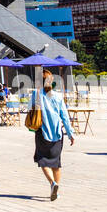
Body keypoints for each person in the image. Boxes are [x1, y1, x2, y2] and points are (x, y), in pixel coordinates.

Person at [29, 69, 75, 201]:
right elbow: (65, 116)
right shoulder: (58, 96)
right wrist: (70, 133)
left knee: (43, 160)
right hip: (57, 133)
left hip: (42, 132)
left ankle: (52, 183)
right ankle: (57, 187)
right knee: (56, 163)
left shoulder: (36, 94)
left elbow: (31, 110)